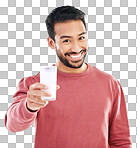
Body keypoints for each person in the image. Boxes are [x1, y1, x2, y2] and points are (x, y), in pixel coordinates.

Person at [5, 6, 132, 148]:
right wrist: (28, 107)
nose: (76, 48)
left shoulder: (110, 83)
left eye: (81, 38)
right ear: (52, 43)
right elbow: (12, 125)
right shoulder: (35, 84)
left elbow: (121, 141)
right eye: (66, 41)